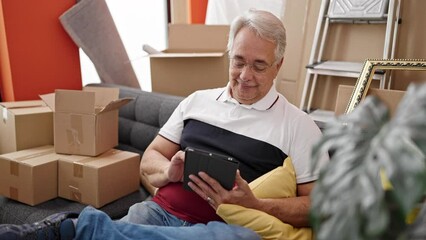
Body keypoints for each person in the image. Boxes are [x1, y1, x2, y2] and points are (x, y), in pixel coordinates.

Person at [0, 9, 328, 240]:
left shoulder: (299, 127)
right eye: (239, 61)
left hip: (225, 228)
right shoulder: (196, 101)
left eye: (259, 66)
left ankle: (72, 229)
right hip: (159, 211)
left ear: (278, 65)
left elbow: (318, 208)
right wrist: (169, 171)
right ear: (229, 54)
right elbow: (151, 157)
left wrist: (254, 204)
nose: (245, 76)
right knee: (140, 221)